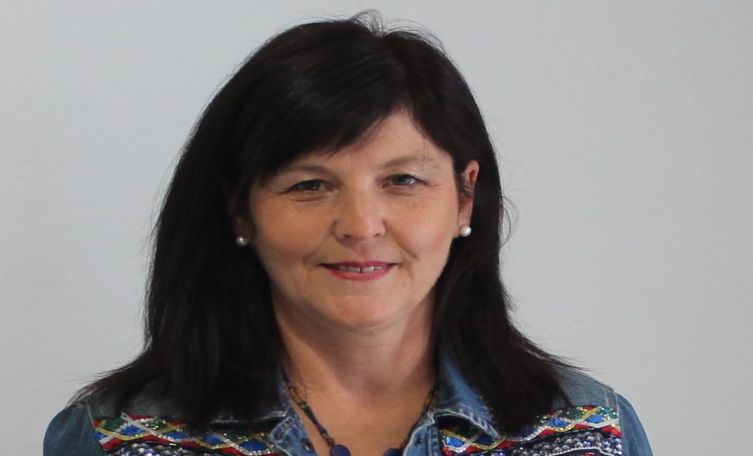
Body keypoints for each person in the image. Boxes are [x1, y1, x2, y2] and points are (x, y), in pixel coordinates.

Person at [44, 12, 653, 456]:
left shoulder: (588, 431)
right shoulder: (118, 436)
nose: (361, 226)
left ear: (465, 196)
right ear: (239, 209)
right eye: (310, 185)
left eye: (403, 180)